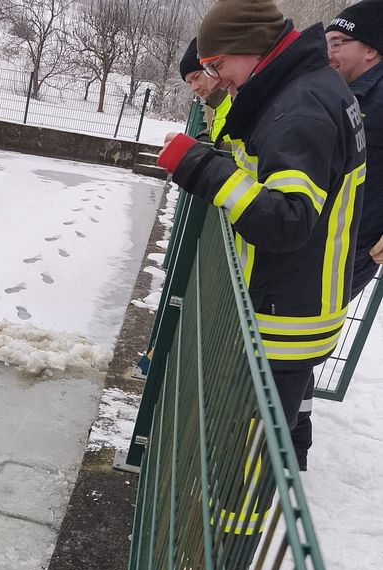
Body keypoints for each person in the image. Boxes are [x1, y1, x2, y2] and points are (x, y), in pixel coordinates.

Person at [158, 0, 365, 478]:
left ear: (248, 48)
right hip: (291, 303)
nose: (216, 77)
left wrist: (198, 166)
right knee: (247, 447)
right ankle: (226, 524)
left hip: (286, 319)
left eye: (215, 65)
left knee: (244, 464)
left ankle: (231, 540)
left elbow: (287, 221)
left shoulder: (301, 106)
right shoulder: (302, 90)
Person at [326, 1, 383, 298]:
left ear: (370, 49)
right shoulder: (342, 92)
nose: (328, 54)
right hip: (322, 240)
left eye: (337, 43)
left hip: (353, 250)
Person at [179, 37, 232, 142]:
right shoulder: (215, 104)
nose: (194, 88)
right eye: (189, 83)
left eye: (197, 77)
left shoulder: (237, 100)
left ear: (212, 68)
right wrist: (204, 138)